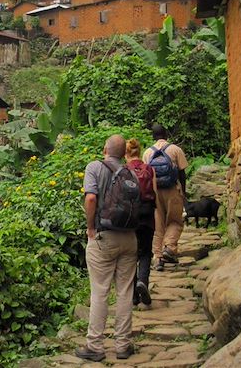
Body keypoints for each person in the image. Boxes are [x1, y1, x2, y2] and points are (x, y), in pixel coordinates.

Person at [75, 134, 137, 362]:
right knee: (125, 291)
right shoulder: (131, 172)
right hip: (129, 238)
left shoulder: (94, 167)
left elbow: (91, 199)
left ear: (105, 149)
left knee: (100, 291)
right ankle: (123, 345)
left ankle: (95, 346)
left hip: (103, 237)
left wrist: (90, 228)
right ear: (124, 153)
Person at [143, 124, 188, 271]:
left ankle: (158, 258)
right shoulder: (175, 149)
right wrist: (184, 192)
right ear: (166, 135)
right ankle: (169, 247)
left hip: (155, 193)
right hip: (172, 190)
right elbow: (182, 173)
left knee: (158, 225)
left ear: (153, 136)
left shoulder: (147, 153)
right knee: (175, 220)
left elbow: (146, 176)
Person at [125, 138, 157, 306]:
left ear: (126, 153)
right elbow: (155, 192)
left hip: (129, 216)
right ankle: (142, 281)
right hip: (146, 214)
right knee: (145, 252)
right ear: (140, 151)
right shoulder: (149, 169)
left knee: (130, 254)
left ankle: (133, 296)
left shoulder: (123, 170)